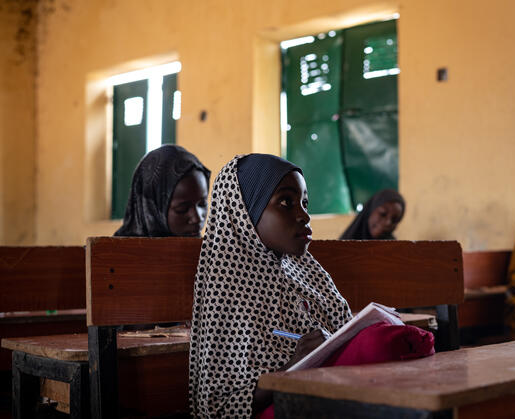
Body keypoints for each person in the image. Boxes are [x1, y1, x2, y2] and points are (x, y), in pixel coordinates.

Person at [188, 154, 433, 418]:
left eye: (305, 203)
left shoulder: (310, 274)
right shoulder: (227, 287)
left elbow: (342, 335)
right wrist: (294, 367)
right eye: (286, 202)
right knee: (380, 346)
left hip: (329, 389)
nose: (304, 215)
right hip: (283, 405)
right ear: (245, 211)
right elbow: (215, 408)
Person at [114, 144, 211, 237]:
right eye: (182, 209)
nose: (197, 218)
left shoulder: (204, 250)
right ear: (153, 209)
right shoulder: (117, 252)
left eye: (202, 204)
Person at [340, 189, 405, 240]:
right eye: (383, 214)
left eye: (394, 220)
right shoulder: (342, 248)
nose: (387, 223)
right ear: (370, 211)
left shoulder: (395, 252)